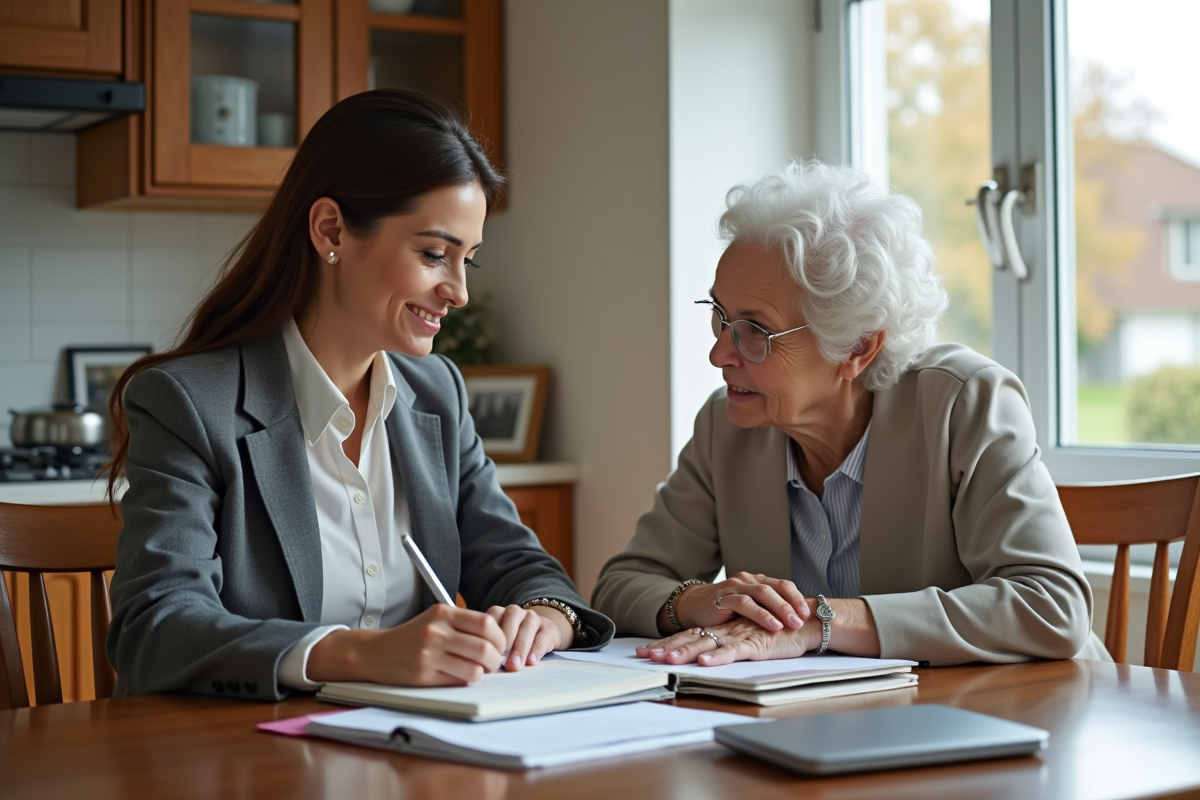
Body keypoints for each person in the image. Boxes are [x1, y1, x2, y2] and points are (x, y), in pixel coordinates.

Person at [105, 90, 613, 701]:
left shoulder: (438, 394)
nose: (458, 292)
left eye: (467, 261)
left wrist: (544, 618)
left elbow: (519, 565)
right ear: (331, 230)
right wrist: (358, 653)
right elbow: (154, 626)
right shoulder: (188, 403)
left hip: (418, 751)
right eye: (433, 254)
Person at [592, 161, 1108, 668]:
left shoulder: (965, 403)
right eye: (720, 318)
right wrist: (697, 600)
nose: (719, 355)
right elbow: (620, 585)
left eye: (754, 330)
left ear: (856, 348)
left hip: (1025, 716)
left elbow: (1052, 605)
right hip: (838, 727)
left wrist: (819, 622)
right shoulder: (724, 428)